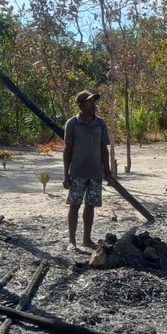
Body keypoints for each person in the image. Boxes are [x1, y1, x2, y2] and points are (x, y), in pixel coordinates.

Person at [63, 90, 114, 250]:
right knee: (74, 205)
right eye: (90, 102)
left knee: (90, 205)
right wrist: (66, 174)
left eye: (94, 101)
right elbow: (68, 150)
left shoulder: (100, 123)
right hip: (77, 172)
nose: (94, 105)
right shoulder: (72, 124)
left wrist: (107, 170)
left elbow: (103, 149)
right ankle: (72, 241)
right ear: (81, 105)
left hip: (95, 172)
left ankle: (86, 239)